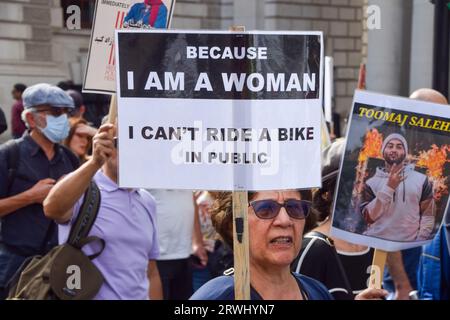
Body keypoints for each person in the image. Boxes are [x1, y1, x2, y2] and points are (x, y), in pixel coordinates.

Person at [190, 190, 387, 300]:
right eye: (266, 209)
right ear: (234, 224)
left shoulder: (316, 291)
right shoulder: (216, 297)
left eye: (295, 208)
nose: (284, 220)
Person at [44, 123, 162, 300]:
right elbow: (52, 208)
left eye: (137, 144)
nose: (129, 152)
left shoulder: (146, 200)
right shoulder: (82, 189)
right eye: (120, 143)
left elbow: (151, 272)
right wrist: (94, 162)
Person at [0, 83, 79, 299]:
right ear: (32, 118)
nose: (62, 118)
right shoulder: (9, 155)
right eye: (54, 112)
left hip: (58, 262)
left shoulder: (69, 158)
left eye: (66, 112)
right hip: (15, 263)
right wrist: (30, 196)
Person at [385, 88, 449, 299]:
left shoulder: (441, 158)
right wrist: (401, 284)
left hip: (435, 275)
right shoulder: (396, 162)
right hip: (406, 281)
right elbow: (385, 230)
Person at [292, 139, 374, 300]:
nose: (364, 189)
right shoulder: (311, 249)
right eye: (355, 181)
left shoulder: (373, 244)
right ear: (327, 193)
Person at [361, 133, 435, 241]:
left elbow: (428, 215)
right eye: (390, 146)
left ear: (405, 152)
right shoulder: (371, 183)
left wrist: (418, 241)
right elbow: (369, 217)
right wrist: (389, 187)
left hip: (408, 246)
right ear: (383, 151)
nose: (394, 150)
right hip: (375, 242)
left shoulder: (421, 180)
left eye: (399, 147)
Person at [148, 189, 207, 299]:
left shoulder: (186, 172)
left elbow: (192, 199)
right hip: (156, 257)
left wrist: (197, 241)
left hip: (185, 254)